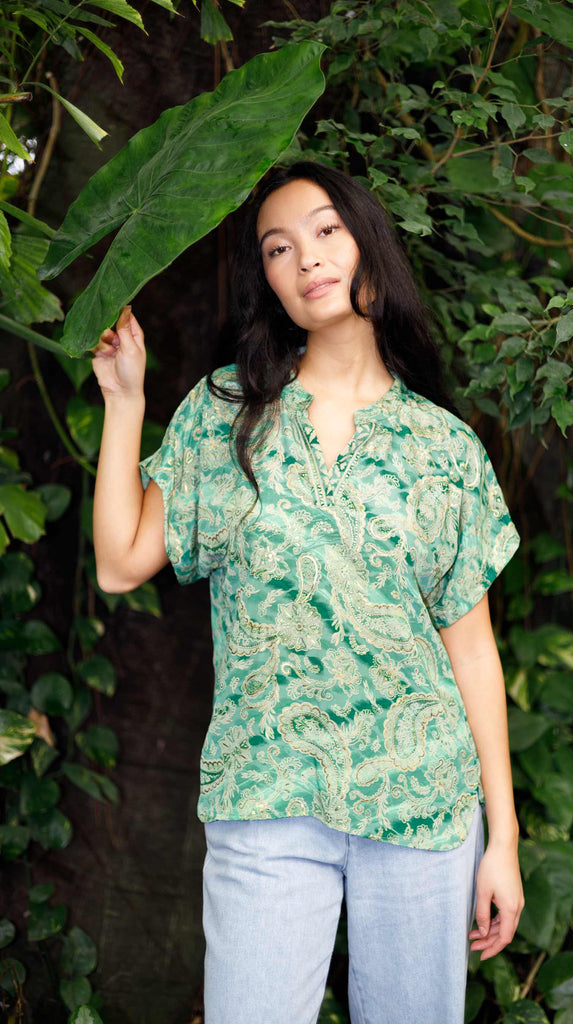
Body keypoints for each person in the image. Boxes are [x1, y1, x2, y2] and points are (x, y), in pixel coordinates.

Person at [92, 161, 524, 1024]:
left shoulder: (444, 448)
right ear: (269, 282)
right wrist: (124, 400)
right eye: (278, 248)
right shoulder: (225, 411)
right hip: (265, 792)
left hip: (423, 804)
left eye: (326, 231)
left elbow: (472, 651)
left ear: (367, 246)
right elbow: (120, 563)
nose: (307, 258)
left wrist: (503, 840)